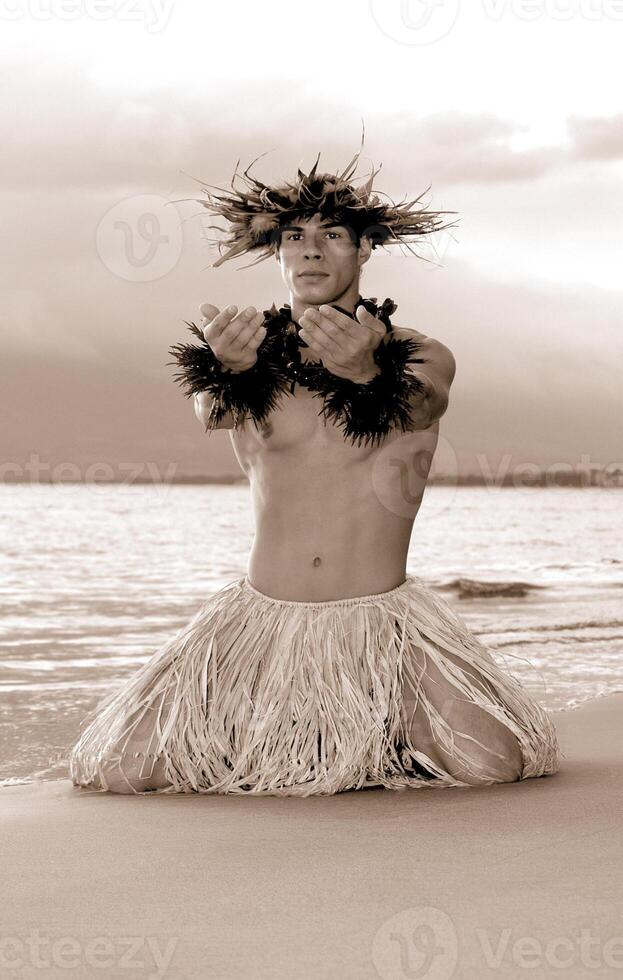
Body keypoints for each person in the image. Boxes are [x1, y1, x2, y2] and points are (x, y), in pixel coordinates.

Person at [68, 142, 561, 795]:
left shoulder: (416, 353)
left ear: (363, 250)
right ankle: (293, 736)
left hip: (383, 628)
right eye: (293, 237)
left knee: (488, 766)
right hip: (259, 626)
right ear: (276, 253)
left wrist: (368, 375)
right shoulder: (239, 354)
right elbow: (212, 412)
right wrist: (228, 371)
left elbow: (422, 405)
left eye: (331, 235)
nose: (309, 251)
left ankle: (372, 732)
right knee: (117, 771)